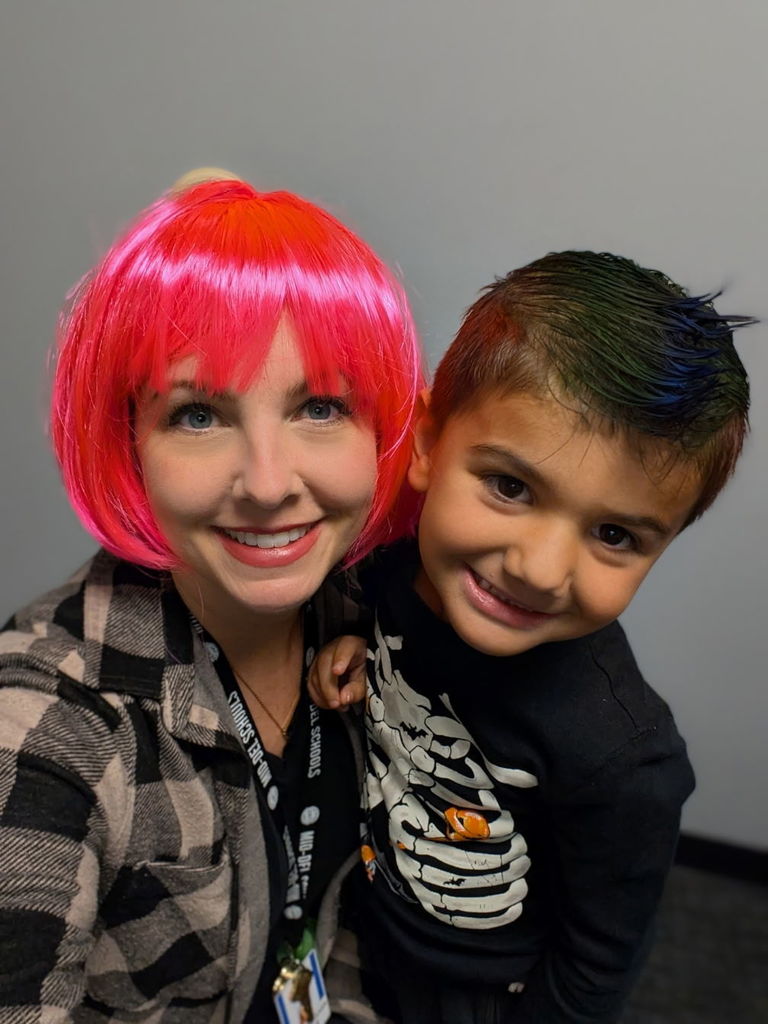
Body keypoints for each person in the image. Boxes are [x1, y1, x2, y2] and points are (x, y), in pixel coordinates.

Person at [0, 172, 424, 1021]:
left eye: (321, 406)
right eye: (197, 416)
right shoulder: (47, 736)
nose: (268, 485)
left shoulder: (378, 622)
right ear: (127, 442)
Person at [310, 251, 752, 1023]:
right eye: (511, 487)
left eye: (615, 534)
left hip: (485, 997)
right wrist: (354, 645)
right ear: (425, 444)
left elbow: (598, 965)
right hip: (363, 921)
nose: (542, 571)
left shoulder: (626, 758)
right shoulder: (395, 576)